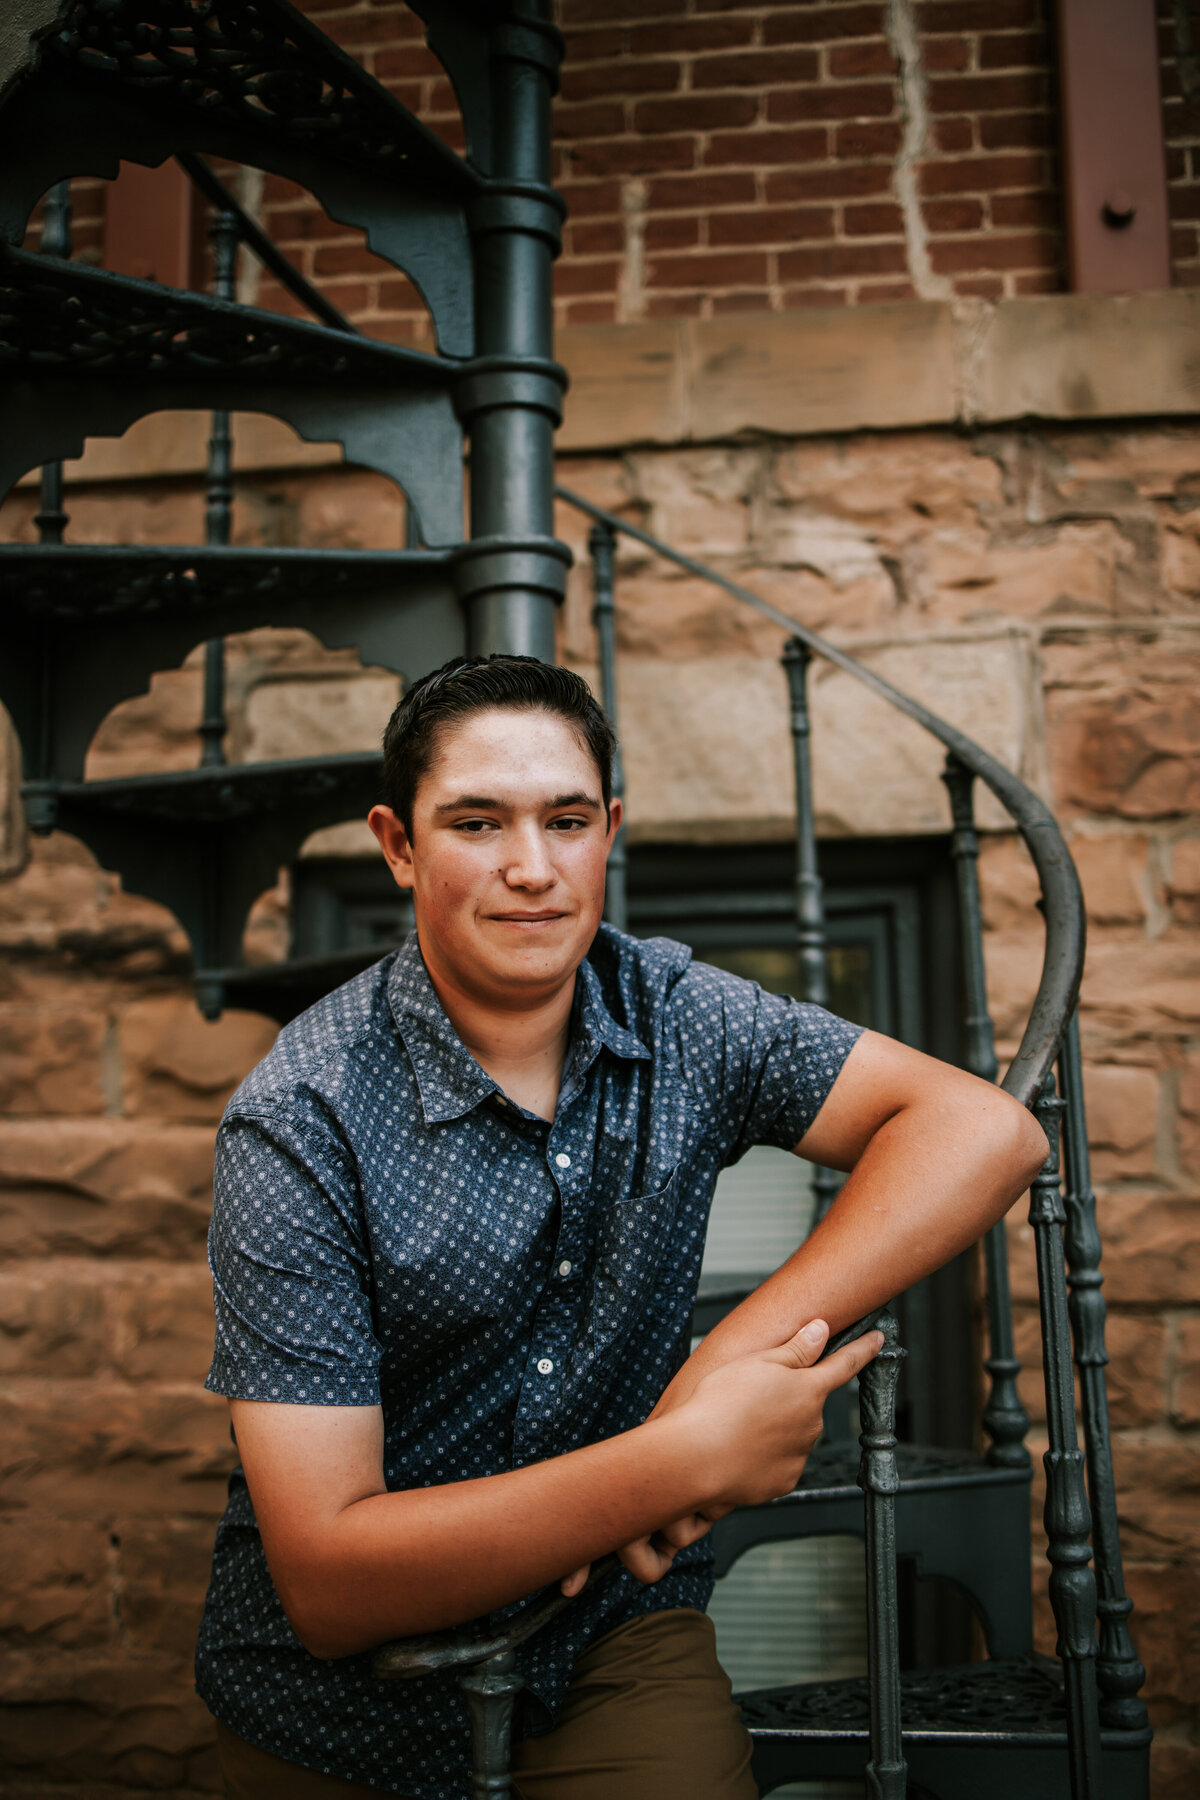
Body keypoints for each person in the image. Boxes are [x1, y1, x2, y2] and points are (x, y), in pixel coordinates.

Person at [195, 655, 1046, 1800]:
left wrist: (725, 1366)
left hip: (609, 1638)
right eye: (476, 822)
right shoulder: (301, 1118)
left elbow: (985, 1131)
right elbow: (333, 1583)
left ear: (612, 830)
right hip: (334, 1711)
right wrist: (679, 1463)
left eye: (568, 819)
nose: (533, 869)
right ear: (398, 846)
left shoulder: (675, 1011)